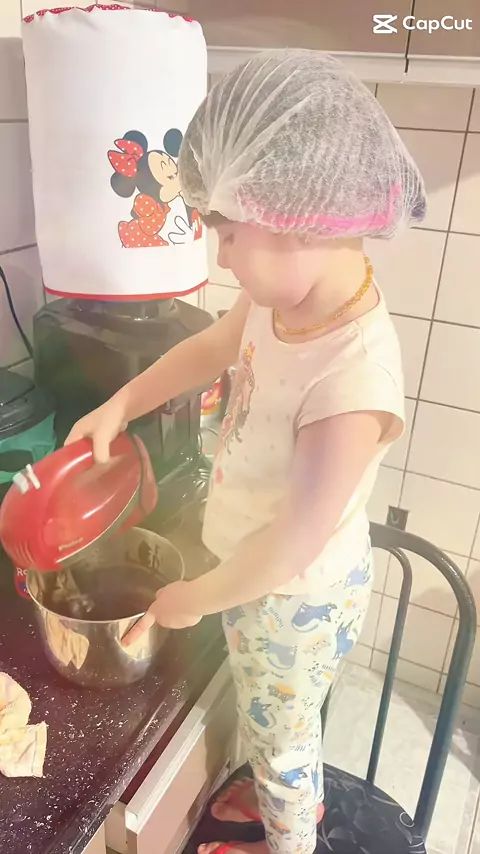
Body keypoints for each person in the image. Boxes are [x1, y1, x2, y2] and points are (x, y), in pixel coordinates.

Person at [67, 49, 426, 854]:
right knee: (277, 721)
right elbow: (210, 349)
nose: (221, 257)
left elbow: (293, 544)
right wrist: (122, 403)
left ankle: (290, 839)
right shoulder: (282, 303)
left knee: (285, 744)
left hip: (292, 598)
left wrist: (196, 596)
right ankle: (283, 803)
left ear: (299, 219)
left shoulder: (353, 378)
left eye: (228, 233)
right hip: (255, 578)